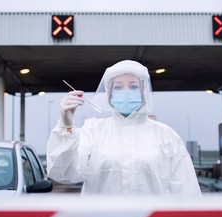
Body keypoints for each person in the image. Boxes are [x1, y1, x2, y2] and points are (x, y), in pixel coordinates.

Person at [46, 60, 201, 196]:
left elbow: (187, 193)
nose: (125, 92)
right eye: (118, 87)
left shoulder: (165, 135)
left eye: (133, 86)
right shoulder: (94, 130)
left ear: (143, 92)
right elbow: (62, 173)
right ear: (109, 94)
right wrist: (66, 125)